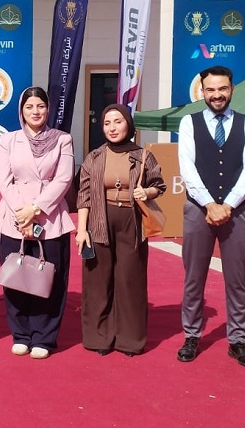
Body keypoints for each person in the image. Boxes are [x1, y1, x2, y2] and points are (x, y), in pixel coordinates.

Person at [177, 65, 245, 368]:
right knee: (194, 277)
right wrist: (210, 203)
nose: (216, 95)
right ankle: (191, 335)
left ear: (232, 89)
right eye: (210, 89)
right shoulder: (189, 122)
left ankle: (237, 340)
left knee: (237, 279)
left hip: (236, 212)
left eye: (222, 88)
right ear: (202, 92)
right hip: (198, 209)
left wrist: (230, 204)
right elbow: (187, 167)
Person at [75, 104, 166, 357]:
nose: (112, 128)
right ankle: (99, 337)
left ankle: (129, 340)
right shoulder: (94, 157)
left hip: (131, 221)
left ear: (128, 124)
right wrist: (81, 230)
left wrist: (146, 192)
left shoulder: (143, 156)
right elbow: (83, 196)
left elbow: (159, 185)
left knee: (129, 280)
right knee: (98, 280)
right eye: (107, 123)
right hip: (99, 220)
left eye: (118, 122)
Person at [0, 86, 75, 359]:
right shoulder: (8, 140)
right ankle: (21, 334)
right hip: (13, 218)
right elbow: (4, 180)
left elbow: (64, 178)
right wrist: (22, 212)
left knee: (49, 278)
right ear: (21, 110)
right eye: (29, 107)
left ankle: (44, 337)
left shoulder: (62, 139)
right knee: (16, 277)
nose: (35, 111)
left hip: (49, 218)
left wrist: (36, 209)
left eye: (40, 106)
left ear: (48, 109)